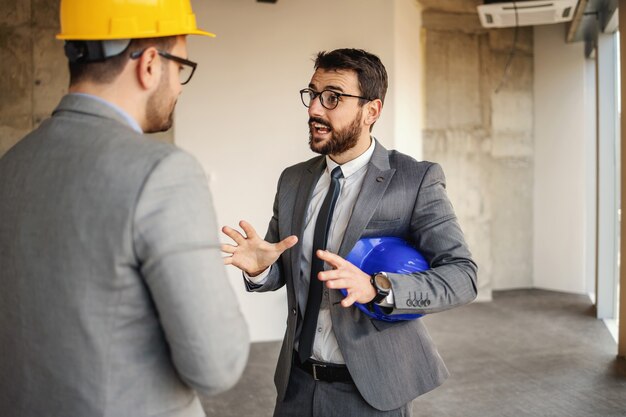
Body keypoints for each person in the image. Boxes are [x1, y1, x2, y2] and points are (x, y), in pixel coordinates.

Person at [0, 1, 249, 416]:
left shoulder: (13, 164)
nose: (181, 86)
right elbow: (217, 365)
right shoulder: (164, 173)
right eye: (181, 68)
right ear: (150, 64)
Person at [221, 48, 478, 416]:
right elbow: (286, 268)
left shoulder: (414, 180)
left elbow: (463, 276)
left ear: (371, 111)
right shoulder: (293, 180)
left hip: (370, 391)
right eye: (312, 94)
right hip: (295, 386)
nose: (314, 109)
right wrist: (261, 269)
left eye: (333, 97)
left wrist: (378, 288)